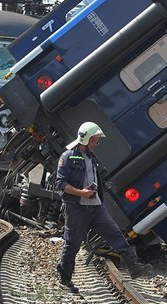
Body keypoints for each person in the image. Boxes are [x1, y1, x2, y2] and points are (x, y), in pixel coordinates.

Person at [56, 122, 152, 293]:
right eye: (94, 141)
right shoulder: (68, 157)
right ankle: (65, 274)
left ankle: (135, 267)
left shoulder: (93, 157)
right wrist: (80, 192)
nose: (96, 144)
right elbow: (60, 183)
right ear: (85, 139)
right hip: (76, 208)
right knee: (73, 244)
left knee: (115, 233)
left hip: (96, 207)